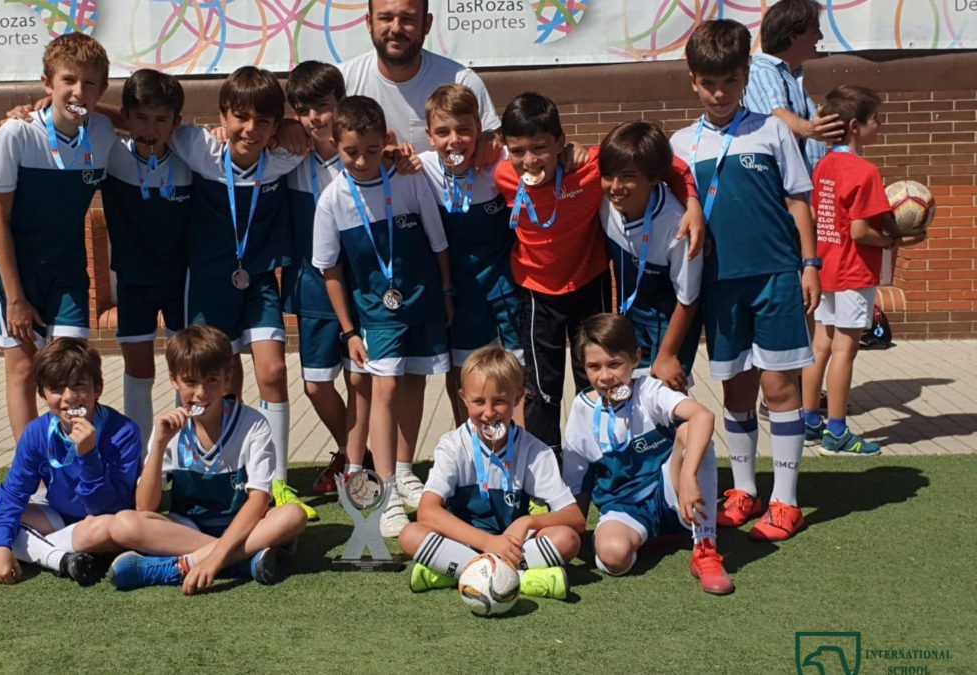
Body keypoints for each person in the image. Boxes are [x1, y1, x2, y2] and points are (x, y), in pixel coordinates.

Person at [670, 20, 819, 542]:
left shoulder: (772, 129)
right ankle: (744, 489)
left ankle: (786, 500)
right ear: (692, 80)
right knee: (736, 392)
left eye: (729, 82)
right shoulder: (681, 144)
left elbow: (798, 200)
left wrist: (810, 264)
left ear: (744, 76)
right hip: (719, 285)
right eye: (708, 83)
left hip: (776, 276)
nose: (718, 93)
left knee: (780, 388)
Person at [494, 92, 703, 456]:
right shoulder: (500, 173)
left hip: (590, 288)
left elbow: (668, 165)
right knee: (541, 391)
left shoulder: (592, 168)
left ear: (560, 143)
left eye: (540, 147)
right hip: (535, 293)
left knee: (597, 380)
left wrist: (693, 203)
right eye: (518, 150)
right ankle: (547, 474)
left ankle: (603, 459)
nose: (529, 160)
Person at [168, 66, 316, 520]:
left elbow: (331, 131)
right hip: (209, 288)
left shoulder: (285, 155)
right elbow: (142, 117)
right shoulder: (199, 148)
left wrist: (296, 125)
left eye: (264, 121)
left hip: (257, 284)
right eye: (241, 117)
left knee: (272, 372)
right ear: (223, 115)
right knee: (212, 380)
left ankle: (276, 481)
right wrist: (73, 108)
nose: (251, 129)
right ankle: (199, 470)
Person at [312, 95, 454, 537]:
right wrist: (349, 329)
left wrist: (446, 292)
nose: (361, 160)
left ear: (385, 142)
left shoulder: (409, 180)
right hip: (377, 312)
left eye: (371, 150)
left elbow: (438, 244)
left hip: (424, 297)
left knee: (414, 381)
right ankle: (386, 489)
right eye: (351, 151)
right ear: (336, 144)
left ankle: (406, 470)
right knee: (385, 386)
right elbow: (330, 271)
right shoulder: (333, 198)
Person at [106, 325, 309, 594]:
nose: (200, 393)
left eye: (211, 380)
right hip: (187, 529)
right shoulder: (168, 427)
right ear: (173, 380)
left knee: (293, 515)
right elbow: (145, 506)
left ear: (228, 378)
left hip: (241, 525)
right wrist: (158, 444)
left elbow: (259, 500)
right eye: (190, 382)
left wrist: (213, 560)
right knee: (122, 524)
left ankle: (176, 567)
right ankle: (241, 562)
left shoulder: (252, 424)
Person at [0, 33, 115, 442]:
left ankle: (69, 467)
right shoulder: (17, 134)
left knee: (72, 372)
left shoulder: (104, 132)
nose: (79, 91)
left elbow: (147, 115)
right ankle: (31, 468)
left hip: (68, 271)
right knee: (24, 370)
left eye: (91, 83)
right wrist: (15, 298)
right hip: (18, 272)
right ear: (47, 83)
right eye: (69, 81)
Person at [562, 314, 732, 594]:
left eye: (614, 364)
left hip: (671, 491)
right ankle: (653, 537)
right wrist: (569, 539)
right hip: (624, 507)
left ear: (635, 358)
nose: (605, 376)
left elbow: (703, 416)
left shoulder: (648, 390)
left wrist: (688, 476)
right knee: (614, 557)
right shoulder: (580, 412)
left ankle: (705, 547)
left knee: (691, 432)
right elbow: (577, 488)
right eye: (594, 367)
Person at [398, 346, 584, 600]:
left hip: (514, 545)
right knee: (410, 535)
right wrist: (488, 544)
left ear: (517, 398)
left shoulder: (535, 450)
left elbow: (575, 518)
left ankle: (455, 572)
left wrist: (527, 522)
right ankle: (522, 579)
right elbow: (427, 511)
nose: (488, 412)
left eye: (499, 401)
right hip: (463, 542)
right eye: (478, 402)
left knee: (567, 539)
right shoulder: (452, 445)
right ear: (463, 398)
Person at [802, 85, 925, 456]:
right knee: (845, 349)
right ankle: (836, 432)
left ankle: (809, 421)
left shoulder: (823, 165)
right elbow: (859, 231)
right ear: (856, 126)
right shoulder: (865, 170)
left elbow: (817, 215)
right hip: (853, 271)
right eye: (876, 120)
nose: (880, 127)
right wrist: (893, 240)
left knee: (820, 345)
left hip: (824, 266)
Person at [0, 339, 142, 586]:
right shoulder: (37, 432)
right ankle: (53, 556)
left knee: (107, 529)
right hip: (57, 518)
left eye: (79, 386)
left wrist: (89, 455)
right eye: (57, 388)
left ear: (98, 388)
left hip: (98, 524)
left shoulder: (123, 432)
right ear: (42, 394)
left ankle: (34, 552)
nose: (69, 398)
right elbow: (14, 492)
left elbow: (110, 510)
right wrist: (1, 545)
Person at [282, 61, 374, 494]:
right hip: (313, 288)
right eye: (303, 110)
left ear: (340, 104)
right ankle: (356, 452)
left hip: (362, 289)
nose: (314, 118)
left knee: (359, 378)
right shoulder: (288, 157)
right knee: (316, 386)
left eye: (322, 106)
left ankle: (354, 467)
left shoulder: (363, 157)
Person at [416, 84, 523, 427]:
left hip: (506, 284)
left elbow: (544, 156)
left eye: (464, 130)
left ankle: (519, 447)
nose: (454, 140)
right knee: (464, 373)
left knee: (517, 370)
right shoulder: (420, 170)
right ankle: (471, 446)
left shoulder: (500, 162)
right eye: (443, 131)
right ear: (429, 136)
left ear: (480, 129)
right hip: (459, 291)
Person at [101, 69, 192, 451]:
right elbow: (86, 113)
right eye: (139, 117)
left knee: (186, 370)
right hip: (134, 279)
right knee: (139, 368)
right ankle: (138, 455)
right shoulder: (111, 153)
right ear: (125, 116)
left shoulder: (191, 156)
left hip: (183, 281)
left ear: (176, 122)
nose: (149, 129)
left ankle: (179, 453)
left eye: (160, 120)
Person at [599, 121, 702, 392]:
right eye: (608, 175)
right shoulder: (603, 203)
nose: (615, 186)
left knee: (665, 399)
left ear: (655, 177)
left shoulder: (677, 224)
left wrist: (667, 355)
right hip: (631, 315)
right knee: (626, 394)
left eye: (628, 176)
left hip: (670, 322)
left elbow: (688, 300)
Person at [339, 0, 501, 153]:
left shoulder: (461, 81)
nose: (396, 28)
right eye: (386, 18)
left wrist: (488, 144)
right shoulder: (342, 81)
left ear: (427, 24)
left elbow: (493, 142)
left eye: (407, 19)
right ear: (369, 22)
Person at [744, 0, 844, 172]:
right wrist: (811, 129)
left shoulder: (792, 74)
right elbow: (776, 117)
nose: (820, 37)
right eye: (815, 30)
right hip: (780, 192)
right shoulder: (762, 69)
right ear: (793, 35)